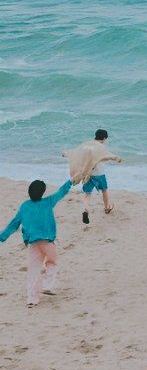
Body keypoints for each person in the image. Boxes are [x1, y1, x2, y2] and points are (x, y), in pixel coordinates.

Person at [0, 178, 72, 306]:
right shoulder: (48, 201)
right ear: (43, 192)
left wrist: (2, 236)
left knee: (33, 270)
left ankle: (32, 300)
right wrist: (70, 181)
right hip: (47, 241)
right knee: (52, 262)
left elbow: (14, 224)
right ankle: (47, 285)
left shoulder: (24, 206)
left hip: (33, 242)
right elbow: (61, 192)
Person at [62, 128, 122, 225]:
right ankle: (107, 208)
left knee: (87, 194)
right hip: (99, 174)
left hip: (88, 174)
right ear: (104, 138)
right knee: (104, 191)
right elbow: (105, 157)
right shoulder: (100, 147)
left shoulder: (87, 145)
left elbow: (78, 154)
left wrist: (67, 154)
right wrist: (115, 158)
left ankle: (85, 209)